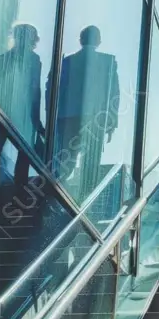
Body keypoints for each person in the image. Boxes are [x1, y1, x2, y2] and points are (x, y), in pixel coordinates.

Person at [48, 25, 120, 200]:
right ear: (98, 41)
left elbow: (53, 88)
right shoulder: (108, 62)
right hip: (95, 119)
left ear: (80, 40)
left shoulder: (67, 62)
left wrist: (53, 119)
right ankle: (84, 200)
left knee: (66, 161)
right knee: (91, 163)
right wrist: (111, 122)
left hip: (68, 118)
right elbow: (114, 94)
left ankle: (55, 196)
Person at [0, 23, 44, 212]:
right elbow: (35, 90)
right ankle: (18, 188)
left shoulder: (6, 58)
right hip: (19, 111)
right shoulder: (34, 60)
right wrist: (36, 118)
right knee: (22, 151)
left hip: (5, 110)